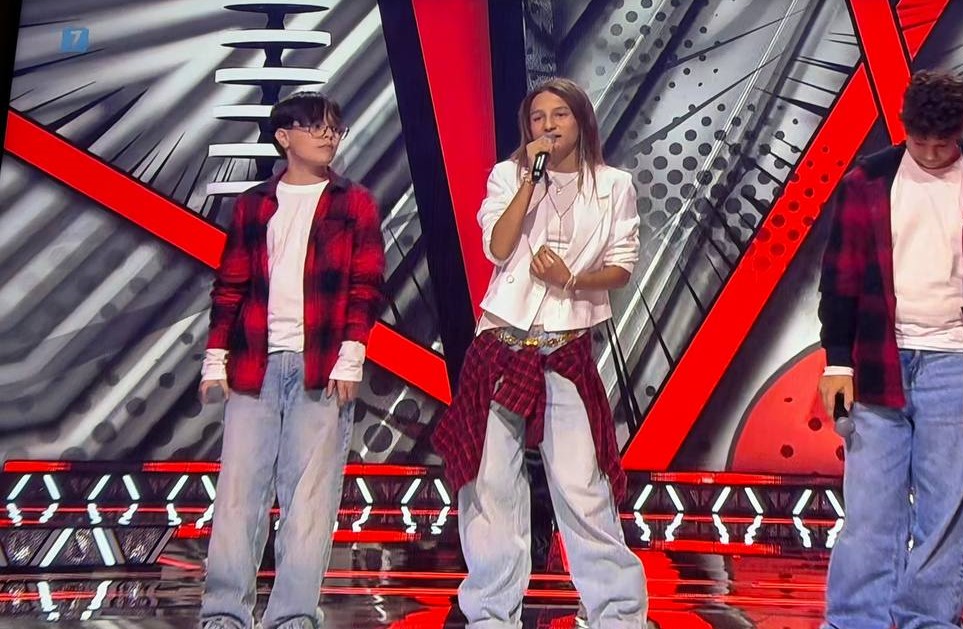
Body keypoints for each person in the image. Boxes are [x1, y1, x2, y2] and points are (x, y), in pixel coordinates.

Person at [816, 70, 963, 629]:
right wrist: (837, 360)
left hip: (959, 365)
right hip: (877, 361)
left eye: (945, 142)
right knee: (870, 509)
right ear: (904, 127)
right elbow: (839, 278)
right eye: (921, 142)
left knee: (946, 513)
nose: (933, 153)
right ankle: (854, 621)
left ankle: (930, 621)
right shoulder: (867, 180)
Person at [432, 77, 648, 628]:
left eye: (559, 115)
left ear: (581, 120)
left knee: (583, 487)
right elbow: (498, 246)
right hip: (500, 348)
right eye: (537, 117)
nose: (548, 125)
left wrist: (572, 279)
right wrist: (529, 180)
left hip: (565, 351)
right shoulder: (508, 176)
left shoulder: (613, 185)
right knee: (489, 489)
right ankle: (490, 613)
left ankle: (617, 613)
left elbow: (622, 265)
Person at [198, 91, 386, 629]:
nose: (328, 136)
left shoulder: (354, 203)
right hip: (255, 364)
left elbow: (366, 285)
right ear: (284, 137)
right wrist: (215, 359)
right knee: (239, 495)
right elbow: (230, 285)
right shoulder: (254, 204)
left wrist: (351, 355)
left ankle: (293, 615)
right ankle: (225, 613)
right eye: (316, 127)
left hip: (320, 363)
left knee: (310, 500)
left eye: (334, 128)